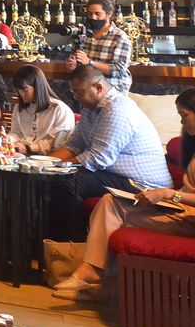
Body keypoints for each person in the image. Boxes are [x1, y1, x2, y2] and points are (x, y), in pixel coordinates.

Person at [53, 88, 195, 299]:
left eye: (184, 115)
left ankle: (99, 282)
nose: (182, 122)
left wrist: (169, 195)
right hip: (183, 210)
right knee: (110, 201)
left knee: (114, 213)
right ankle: (95, 274)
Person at [48, 64, 172, 239]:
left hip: (143, 184)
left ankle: (71, 242)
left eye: (79, 92)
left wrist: (58, 167)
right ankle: (44, 241)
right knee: (53, 178)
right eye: (73, 92)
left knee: (67, 182)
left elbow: (98, 158)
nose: (75, 97)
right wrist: (44, 163)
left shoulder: (118, 110)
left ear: (98, 87)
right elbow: (75, 145)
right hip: (113, 174)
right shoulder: (90, 108)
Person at [65, 0, 132, 93]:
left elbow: (119, 70)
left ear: (109, 14)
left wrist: (89, 62)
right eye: (90, 14)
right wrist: (73, 66)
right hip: (86, 91)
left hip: (112, 92)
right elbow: (78, 63)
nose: (93, 17)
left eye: (98, 14)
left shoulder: (119, 37)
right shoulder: (83, 34)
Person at [7, 65, 75, 154]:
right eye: (19, 90)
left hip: (48, 157)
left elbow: (58, 143)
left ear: (37, 87)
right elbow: (16, 133)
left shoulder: (59, 109)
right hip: (23, 153)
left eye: (25, 90)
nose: (21, 94)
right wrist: (8, 138)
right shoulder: (19, 108)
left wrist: (29, 148)